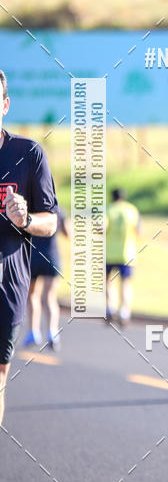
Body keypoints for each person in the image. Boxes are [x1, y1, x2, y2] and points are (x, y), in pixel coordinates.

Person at [0, 69, 58, 426]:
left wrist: (25, 219)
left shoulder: (27, 154)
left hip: (7, 282)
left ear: (4, 105)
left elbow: (50, 221)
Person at [22, 208, 70, 351]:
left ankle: (33, 331)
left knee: (32, 296)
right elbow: (68, 233)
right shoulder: (58, 211)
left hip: (33, 256)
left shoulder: (31, 208)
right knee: (49, 297)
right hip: (51, 256)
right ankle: (52, 332)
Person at [105, 187, 140, 325]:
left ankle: (110, 309)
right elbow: (138, 230)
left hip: (109, 253)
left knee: (108, 282)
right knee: (125, 283)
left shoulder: (108, 209)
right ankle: (124, 312)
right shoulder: (131, 210)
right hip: (127, 253)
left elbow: (101, 227)